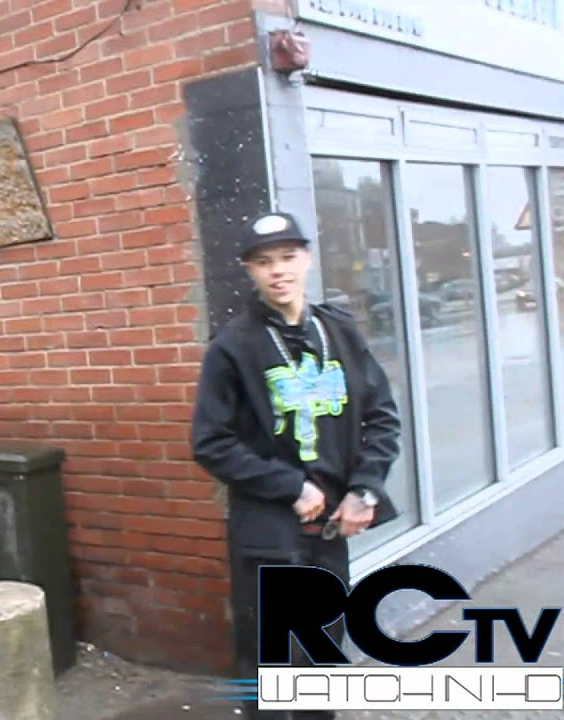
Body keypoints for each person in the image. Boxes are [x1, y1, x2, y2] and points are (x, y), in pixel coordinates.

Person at [190, 211, 402, 719]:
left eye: (288, 257)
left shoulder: (339, 332)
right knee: (270, 660)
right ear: (250, 270)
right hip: (269, 532)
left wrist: (365, 490)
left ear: (307, 259)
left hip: (330, 530)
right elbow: (211, 442)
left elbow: (382, 418)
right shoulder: (232, 347)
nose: (278, 270)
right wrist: (290, 486)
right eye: (264, 262)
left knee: (324, 651)